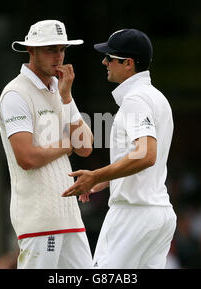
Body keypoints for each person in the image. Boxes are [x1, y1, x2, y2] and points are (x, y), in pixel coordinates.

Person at [62, 29, 177, 268]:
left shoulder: (136, 100)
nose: (104, 62)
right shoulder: (157, 97)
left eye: (110, 58)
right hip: (159, 215)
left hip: (133, 215)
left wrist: (96, 175)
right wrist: (108, 180)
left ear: (128, 64)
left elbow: (146, 155)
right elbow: (141, 158)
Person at [0, 20, 93, 269]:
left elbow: (85, 146)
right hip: (39, 221)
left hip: (70, 217)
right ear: (31, 51)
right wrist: (64, 146)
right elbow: (26, 157)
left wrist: (67, 96)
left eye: (62, 49)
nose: (59, 57)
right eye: (51, 49)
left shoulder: (60, 90)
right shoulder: (15, 94)